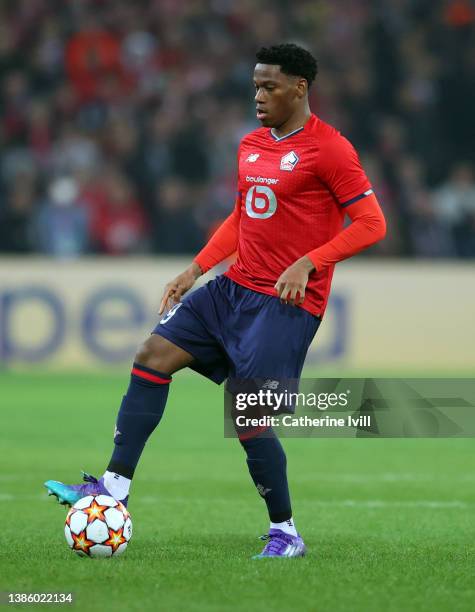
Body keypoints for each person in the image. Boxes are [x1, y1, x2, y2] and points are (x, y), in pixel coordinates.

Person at [45, 43, 386, 558]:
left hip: (284, 305)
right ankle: (114, 485)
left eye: (269, 86)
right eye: (255, 87)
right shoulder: (250, 144)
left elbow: (371, 223)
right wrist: (196, 268)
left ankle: (286, 532)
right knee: (151, 355)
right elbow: (242, 218)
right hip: (232, 289)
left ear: (300, 87)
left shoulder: (330, 149)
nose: (259, 96)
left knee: (249, 416)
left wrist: (311, 261)